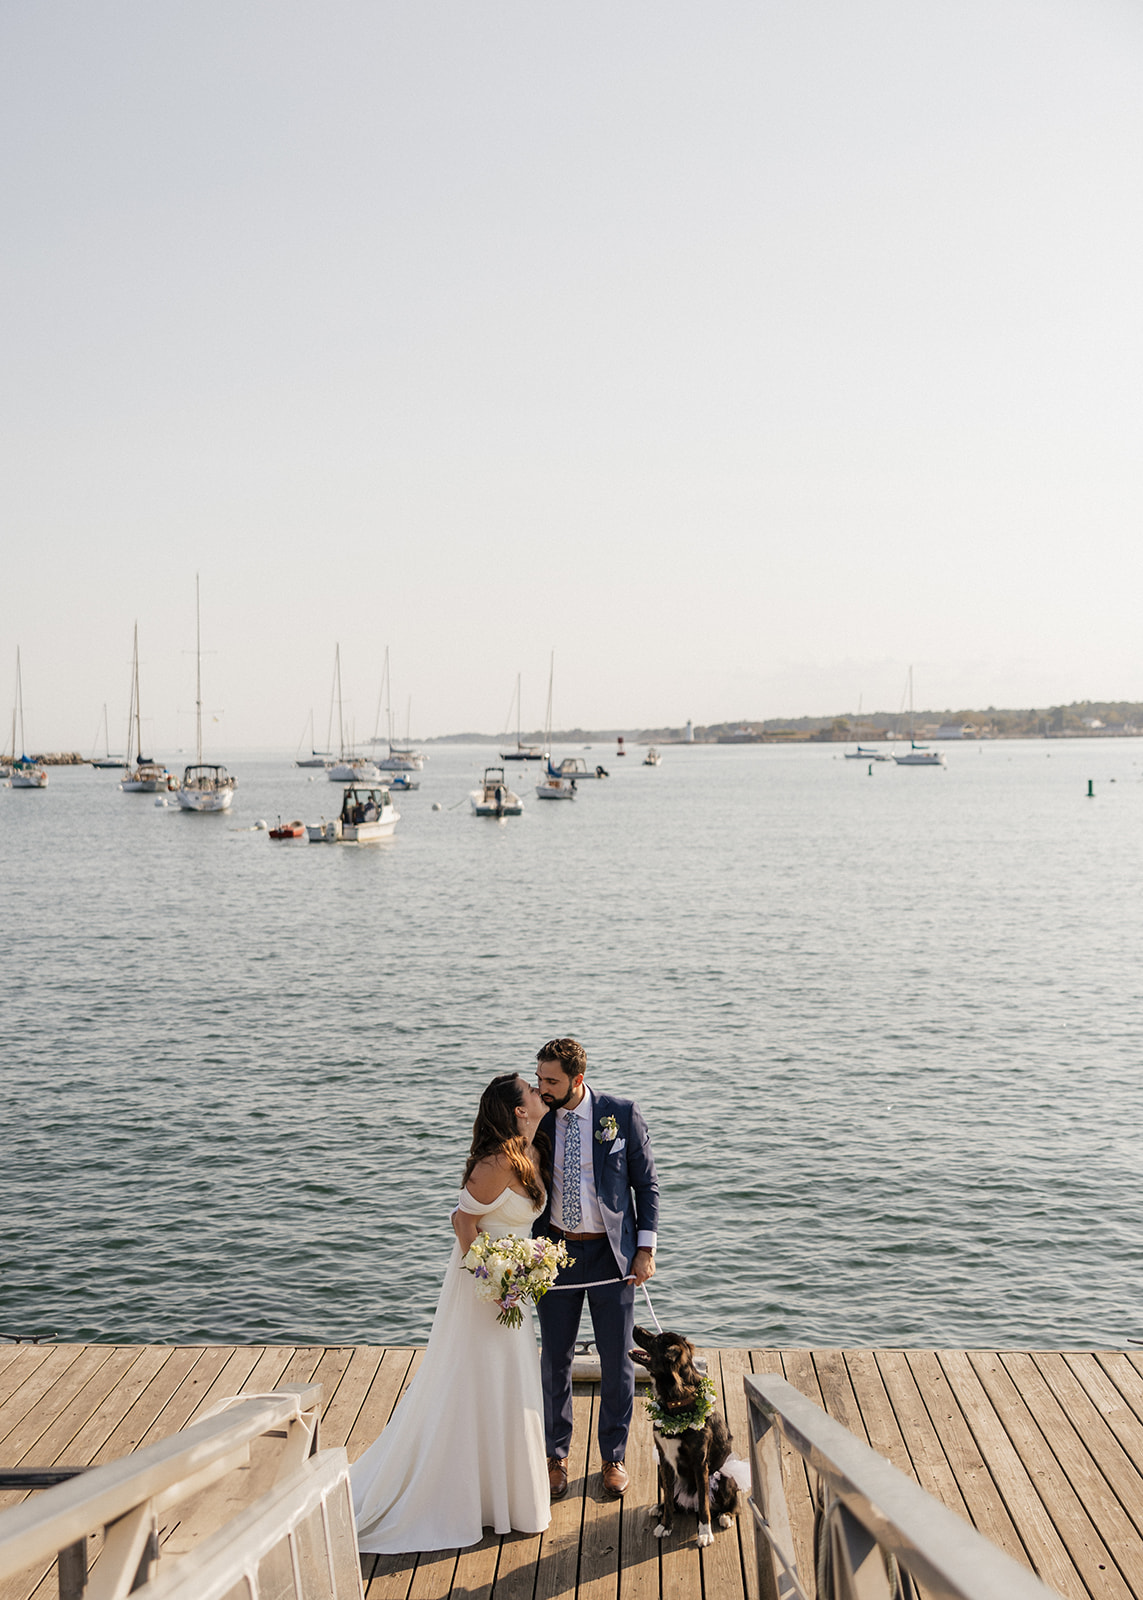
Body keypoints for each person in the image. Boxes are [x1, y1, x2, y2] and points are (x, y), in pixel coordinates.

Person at [351, 1073, 552, 1553]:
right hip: (487, 1290)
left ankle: (503, 1500)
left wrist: (524, 1273)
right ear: (518, 1109)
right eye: (530, 1089)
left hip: (516, 1287)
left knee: (509, 1382)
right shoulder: (494, 1164)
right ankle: (464, 1499)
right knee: (477, 1380)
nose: (537, 1092)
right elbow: (463, 1223)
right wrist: (496, 1280)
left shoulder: (529, 1152)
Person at [532, 1037, 659, 1502]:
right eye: (539, 1077)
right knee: (555, 1361)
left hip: (612, 1255)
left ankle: (613, 1456)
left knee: (618, 1360)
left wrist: (644, 1249)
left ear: (577, 1080)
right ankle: (555, 1455)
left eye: (551, 1081)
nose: (541, 1087)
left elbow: (647, 1187)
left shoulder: (621, 1114)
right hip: (554, 1253)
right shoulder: (536, 1116)